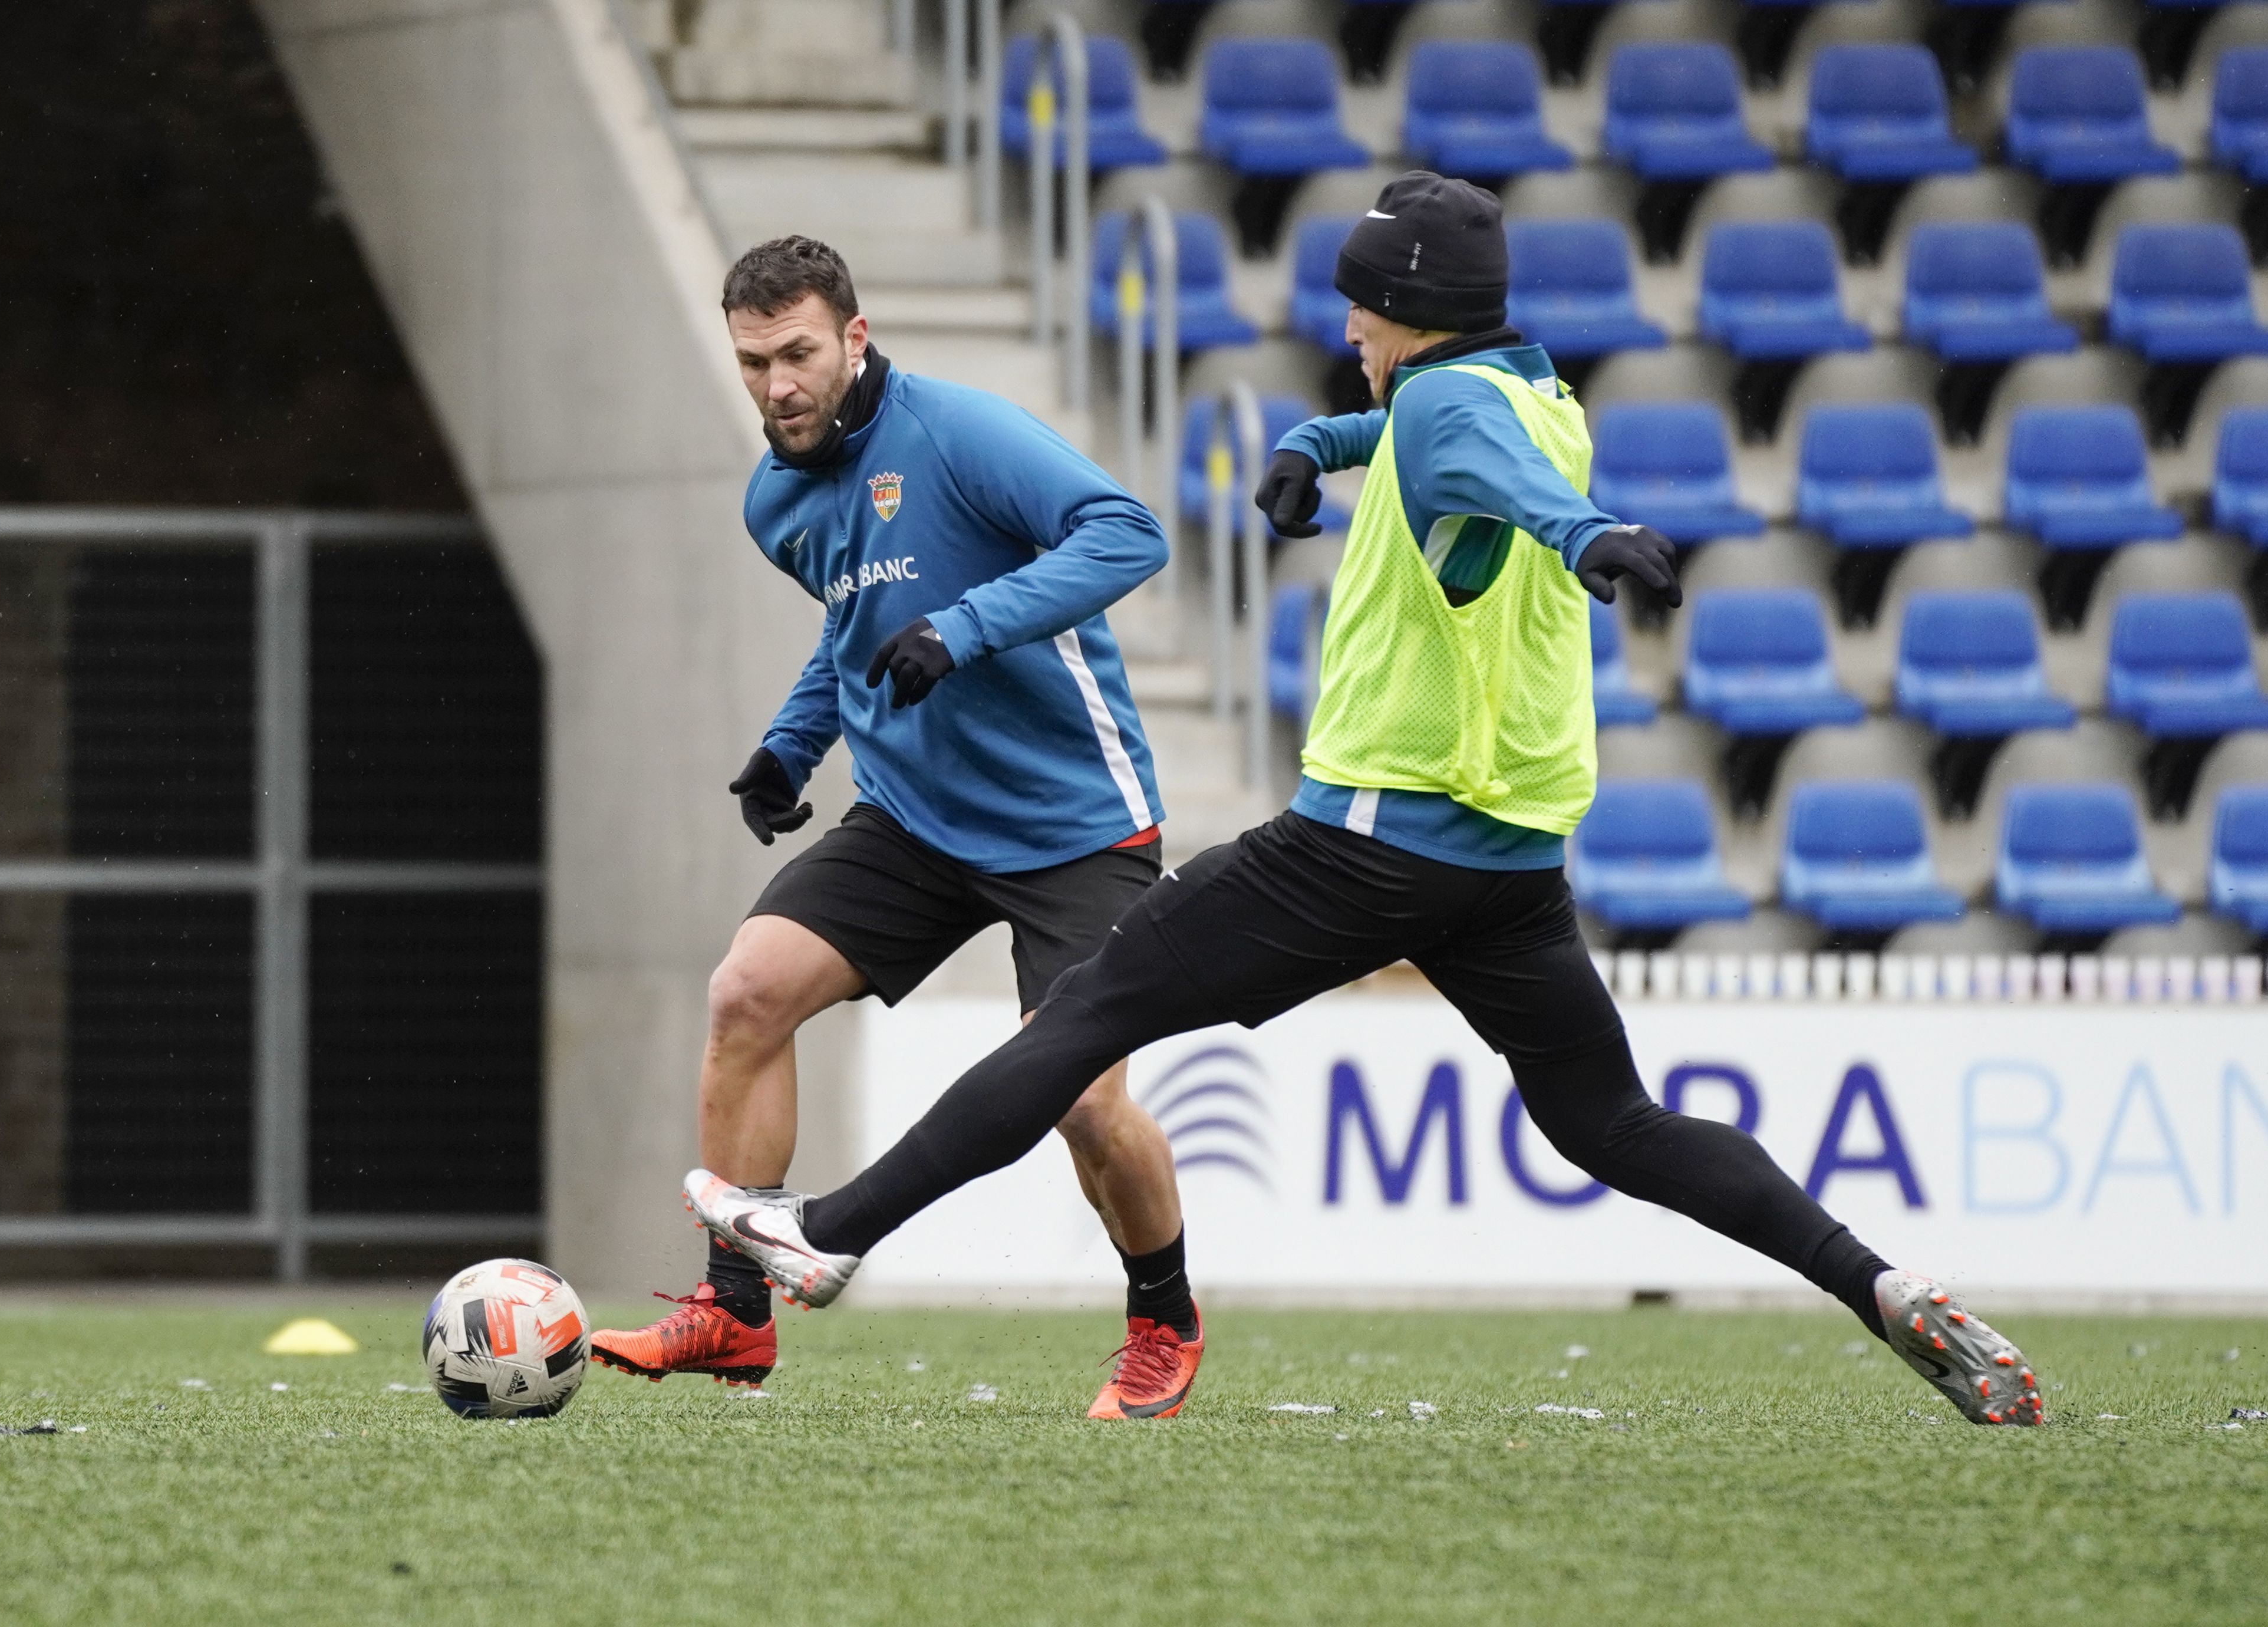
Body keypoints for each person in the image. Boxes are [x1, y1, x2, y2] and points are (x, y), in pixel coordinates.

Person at [683, 177, 2042, 1428]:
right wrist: (1316, 442)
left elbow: (1488, 475)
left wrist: (1590, 536)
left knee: (1088, 1009)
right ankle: (1874, 1282)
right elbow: (1446, 436)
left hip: (1366, 842)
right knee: (1614, 1124)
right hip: (1507, 864)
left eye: (1362, 308)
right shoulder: (1535, 393)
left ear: (1409, 310)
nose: (1348, 327)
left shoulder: (1453, 419)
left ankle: (833, 1232)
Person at [591, 236, 1206, 1422]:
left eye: (799, 354)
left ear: (856, 337)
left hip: (1076, 824)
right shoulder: (775, 499)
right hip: (914, 821)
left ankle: (1162, 1322)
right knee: (747, 994)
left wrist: (964, 629)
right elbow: (855, 621)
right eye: (755, 363)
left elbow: (1129, 532)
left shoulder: (958, 433)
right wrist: (792, 745)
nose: (778, 386)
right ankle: (734, 1309)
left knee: (1084, 1101)